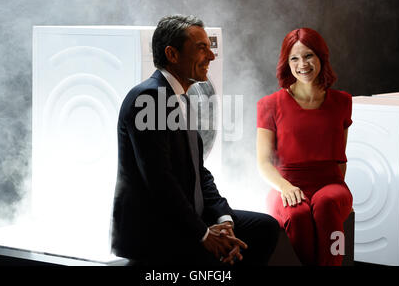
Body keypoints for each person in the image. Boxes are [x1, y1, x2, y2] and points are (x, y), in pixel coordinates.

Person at [112, 15, 279, 266]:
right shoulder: (148, 97)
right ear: (172, 54)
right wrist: (203, 234)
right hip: (158, 229)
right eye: (201, 48)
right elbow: (160, 182)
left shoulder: (183, 98)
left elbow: (199, 172)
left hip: (188, 217)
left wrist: (224, 220)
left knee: (264, 227)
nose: (211, 57)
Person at [256, 27, 353, 266]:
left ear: (321, 56)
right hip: (286, 185)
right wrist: (285, 186)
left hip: (330, 185)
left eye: (309, 55)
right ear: (286, 63)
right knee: (297, 214)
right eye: (294, 58)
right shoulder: (269, 104)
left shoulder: (342, 101)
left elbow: (341, 158)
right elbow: (263, 162)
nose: (303, 64)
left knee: (328, 202)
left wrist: (335, 186)